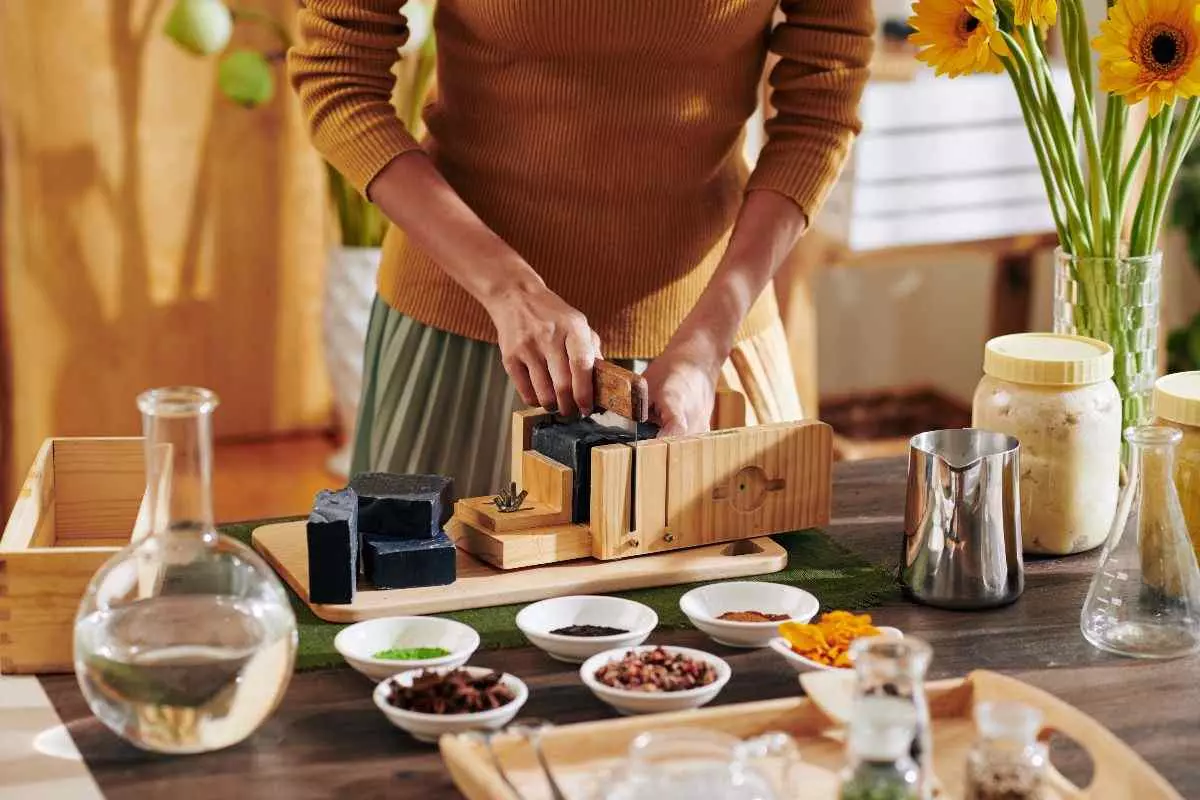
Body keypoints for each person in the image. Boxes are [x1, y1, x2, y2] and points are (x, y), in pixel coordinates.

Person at [289, 0, 874, 497]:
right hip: (467, 332)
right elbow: (338, 75)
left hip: (707, 343)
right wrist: (508, 287)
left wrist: (705, 346)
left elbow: (821, 107)